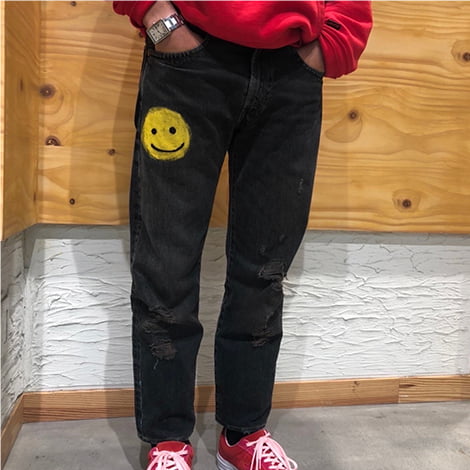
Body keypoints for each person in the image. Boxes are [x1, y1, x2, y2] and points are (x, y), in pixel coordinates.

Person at [112, 2, 372, 469]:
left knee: (264, 270)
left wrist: (332, 43)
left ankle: (243, 434)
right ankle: (168, 441)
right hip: (187, 63)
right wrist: (157, 16)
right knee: (166, 264)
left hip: (292, 72)